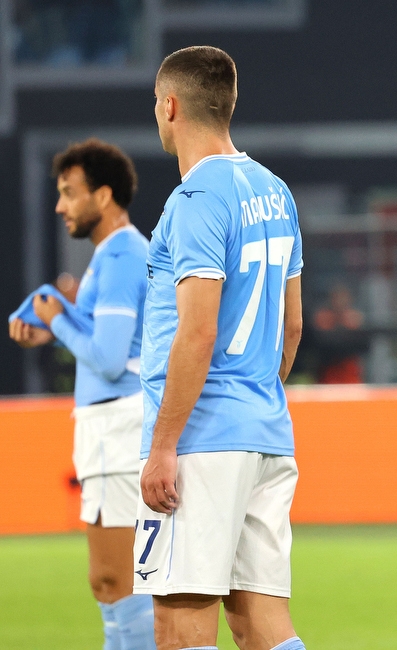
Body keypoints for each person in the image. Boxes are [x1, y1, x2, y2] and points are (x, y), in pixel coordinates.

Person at [134, 45, 305, 650]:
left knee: (179, 624)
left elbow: (198, 330)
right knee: (260, 624)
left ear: (172, 105)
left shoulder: (195, 201)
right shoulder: (275, 192)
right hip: (264, 432)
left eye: (157, 104)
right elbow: (291, 330)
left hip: (201, 438)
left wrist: (162, 444)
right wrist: (255, 397)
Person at [8, 138, 155, 649]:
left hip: (119, 427)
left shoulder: (120, 255)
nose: (60, 205)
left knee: (122, 580)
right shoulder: (113, 255)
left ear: (104, 195)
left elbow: (111, 359)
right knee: (110, 582)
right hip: (107, 431)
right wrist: (62, 322)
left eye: (70, 193)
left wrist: (57, 320)